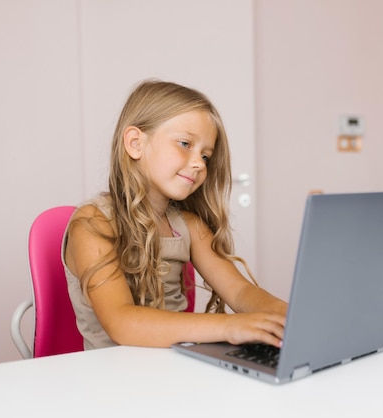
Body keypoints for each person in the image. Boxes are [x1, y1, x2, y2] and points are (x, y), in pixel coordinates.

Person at [63, 79, 287, 350]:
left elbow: (239, 291)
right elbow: (122, 322)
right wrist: (230, 326)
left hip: (175, 371)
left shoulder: (189, 227)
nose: (198, 163)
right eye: (184, 144)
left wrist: (287, 316)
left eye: (205, 156)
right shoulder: (93, 224)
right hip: (113, 380)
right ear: (135, 143)